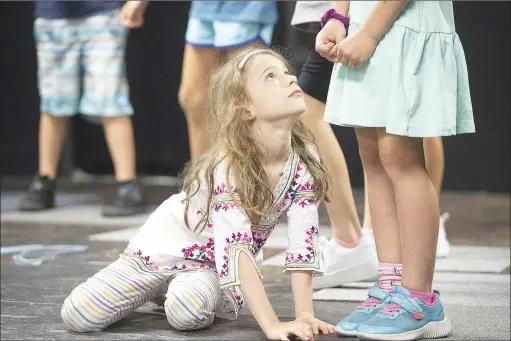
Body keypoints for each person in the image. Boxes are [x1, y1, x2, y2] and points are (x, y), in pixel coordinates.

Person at [60, 46, 336, 340]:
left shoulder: (304, 159)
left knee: (188, 313)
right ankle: (148, 284)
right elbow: (237, 246)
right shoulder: (229, 164)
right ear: (245, 108)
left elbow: (302, 242)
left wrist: (304, 315)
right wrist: (271, 324)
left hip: (212, 266)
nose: (290, 80)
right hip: (164, 247)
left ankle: (174, 290)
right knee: (78, 314)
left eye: (287, 73)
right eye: (270, 77)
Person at [316, 1, 475, 339]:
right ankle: (391, 286)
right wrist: (337, 18)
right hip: (363, 28)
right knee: (373, 158)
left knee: (399, 158)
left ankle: (420, 298)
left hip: (401, 25)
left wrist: (370, 32)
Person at [18, 0, 150, 217]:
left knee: (111, 98)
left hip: (103, 13)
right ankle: (45, 180)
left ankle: (128, 184)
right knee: (53, 101)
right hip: (52, 16)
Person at [291, 1, 379, 290]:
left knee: (304, 110)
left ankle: (354, 240)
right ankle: (362, 238)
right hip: (342, 17)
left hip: (359, 16)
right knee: (373, 118)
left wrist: (340, 16)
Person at [178, 1, 278, 162]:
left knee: (249, 102)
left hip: (246, 8)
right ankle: (204, 181)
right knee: (194, 100)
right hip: (203, 7)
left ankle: (256, 180)